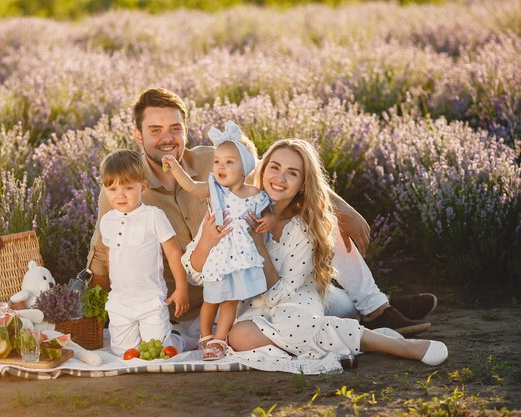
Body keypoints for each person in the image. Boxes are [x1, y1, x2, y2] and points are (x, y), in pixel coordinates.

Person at [87, 87, 435, 349]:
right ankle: (369, 311)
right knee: (303, 304)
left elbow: (276, 178)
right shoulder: (124, 189)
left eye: (175, 128)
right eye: (155, 130)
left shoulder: (213, 160)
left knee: (323, 221)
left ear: (186, 129)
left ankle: (375, 307)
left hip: (248, 276)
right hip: (198, 304)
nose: (167, 138)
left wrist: (342, 208)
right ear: (138, 135)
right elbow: (104, 258)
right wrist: (98, 315)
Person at [184, 139, 447, 370]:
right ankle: (357, 332)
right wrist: (207, 240)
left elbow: (282, 292)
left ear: (302, 184)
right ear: (262, 170)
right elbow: (195, 274)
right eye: (274, 167)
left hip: (298, 298)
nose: (280, 178)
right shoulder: (232, 207)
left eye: (292, 173)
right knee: (240, 336)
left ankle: (389, 343)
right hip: (252, 309)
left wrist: (259, 245)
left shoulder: (304, 227)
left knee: (296, 320)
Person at [162, 120, 274, 360]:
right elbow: (190, 186)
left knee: (230, 301)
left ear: (245, 168)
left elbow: (268, 211)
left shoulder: (254, 194)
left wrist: (269, 221)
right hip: (218, 255)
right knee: (211, 298)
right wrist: (174, 168)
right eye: (217, 161)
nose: (220, 167)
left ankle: (220, 340)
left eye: (229, 162)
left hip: (239, 258)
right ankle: (205, 336)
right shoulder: (215, 189)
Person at [98, 149, 189, 356]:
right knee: (123, 351)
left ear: (143, 187)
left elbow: (174, 253)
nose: (120, 195)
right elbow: (111, 255)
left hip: (150, 299)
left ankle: (177, 338)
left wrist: (181, 288)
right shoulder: (107, 221)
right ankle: (135, 334)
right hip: (122, 301)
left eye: (128, 187)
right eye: (112, 189)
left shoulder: (153, 217)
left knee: (158, 349)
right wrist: (115, 287)